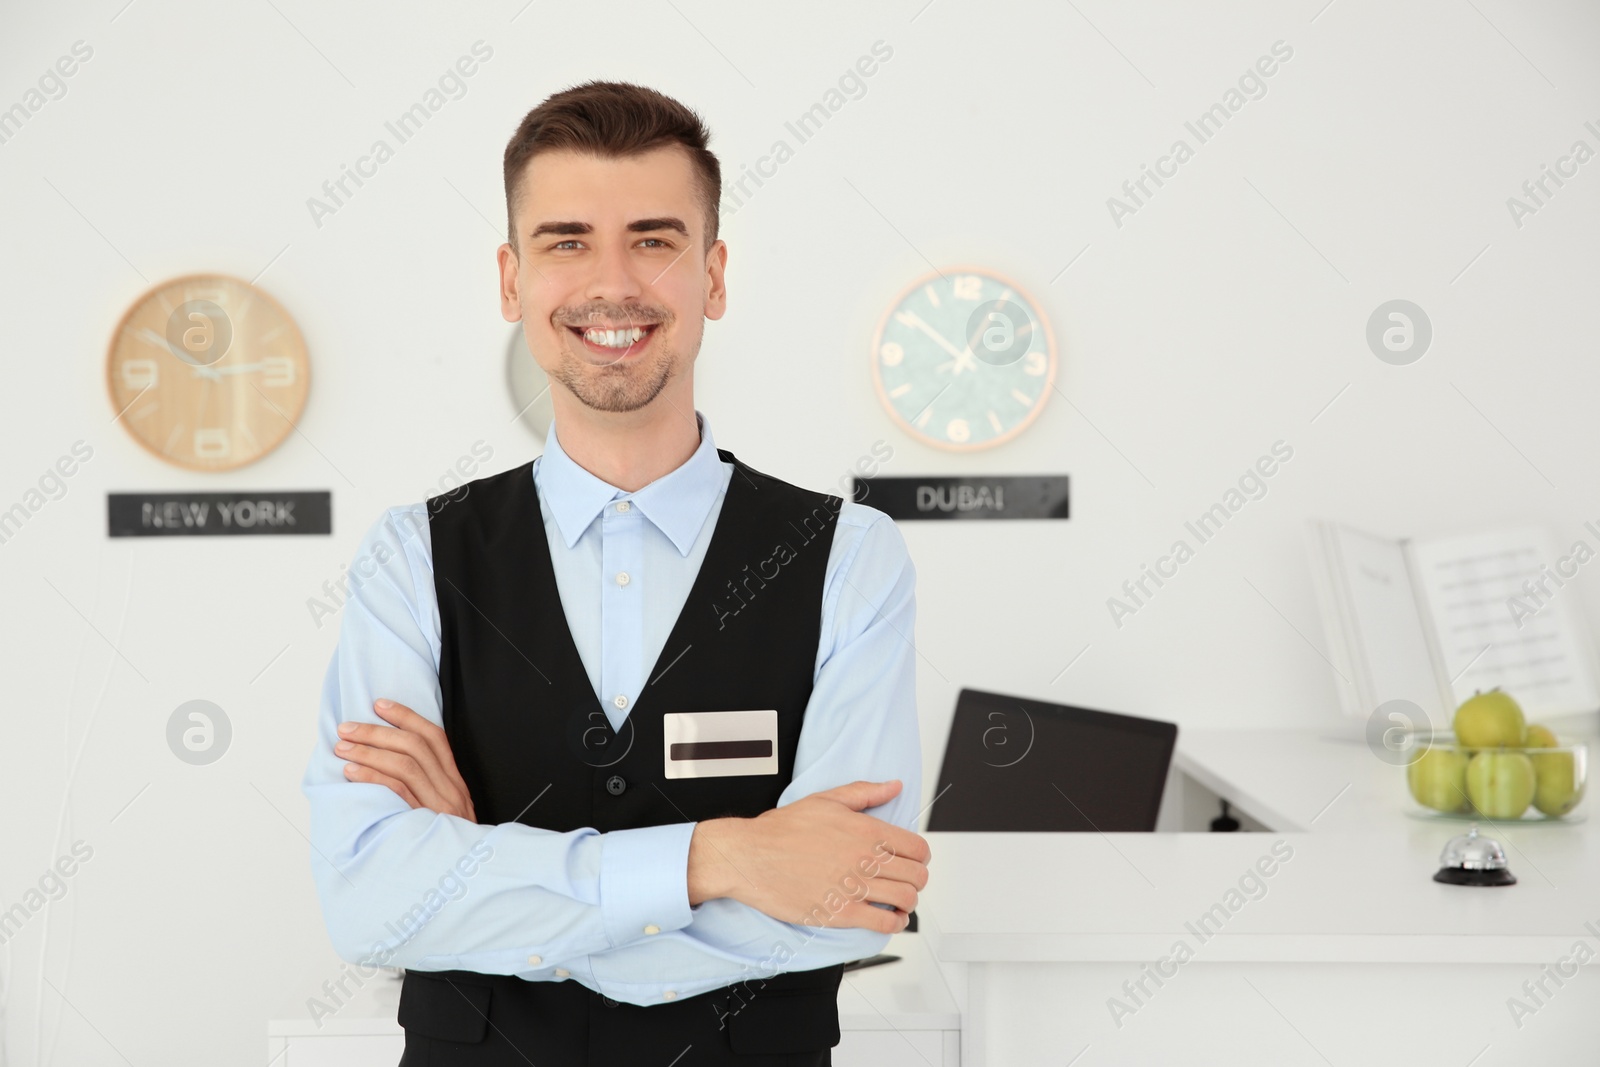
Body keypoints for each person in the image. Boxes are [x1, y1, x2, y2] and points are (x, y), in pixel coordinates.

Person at [300, 80, 929, 1065]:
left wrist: (488, 884)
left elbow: (851, 904)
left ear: (712, 276)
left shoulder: (849, 554)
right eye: (565, 242)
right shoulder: (412, 554)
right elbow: (371, 900)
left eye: (653, 238)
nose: (613, 284)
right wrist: (719, 856)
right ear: (511, 281)